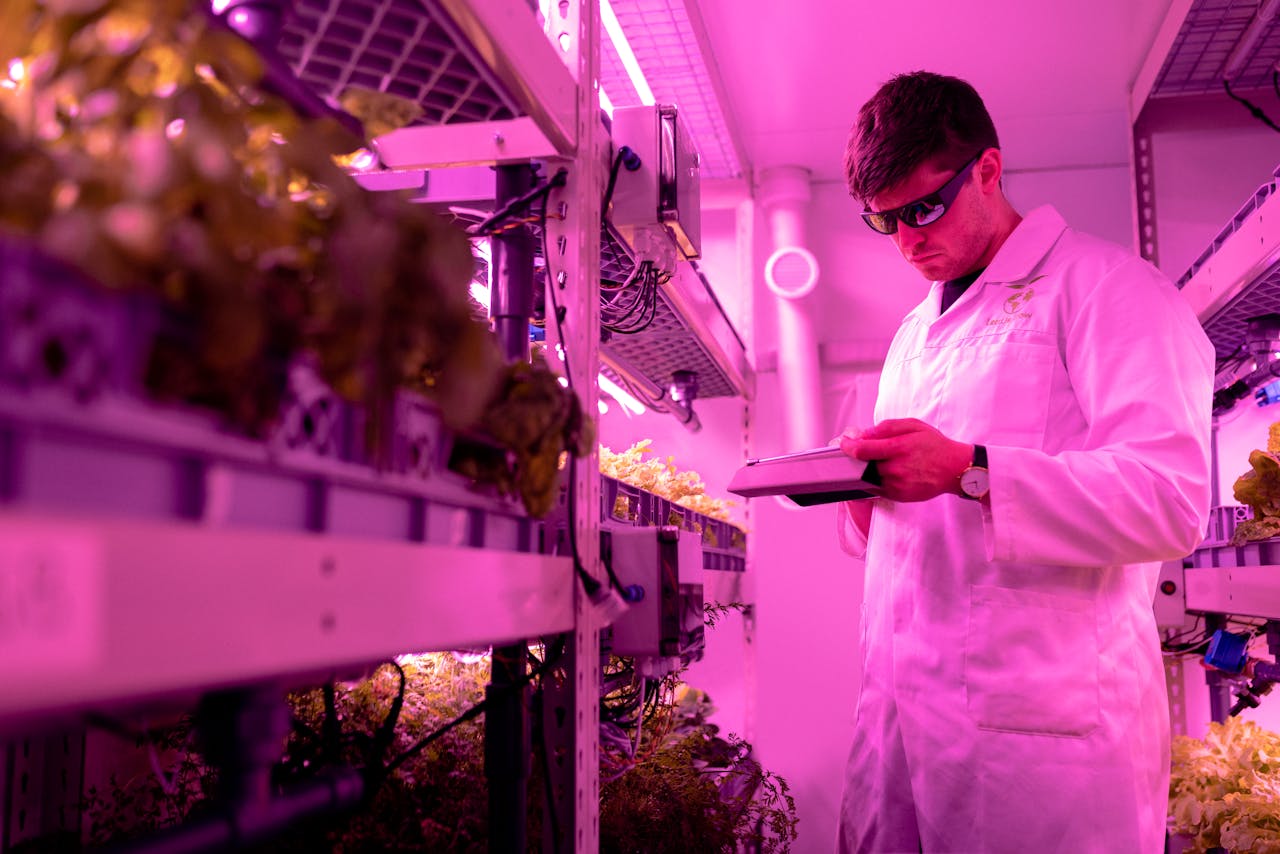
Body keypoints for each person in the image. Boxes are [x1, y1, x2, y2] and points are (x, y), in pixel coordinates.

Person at [833, 71, 1213, 854]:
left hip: (1043, 746)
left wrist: (971, 470)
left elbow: (1170, 501)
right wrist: (865, 499)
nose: (907, 241)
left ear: (988, 171)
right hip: (900, 726)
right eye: (886, 222)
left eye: (922, 210)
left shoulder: (1109, 291)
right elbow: (922, 538)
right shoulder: (912, 335)